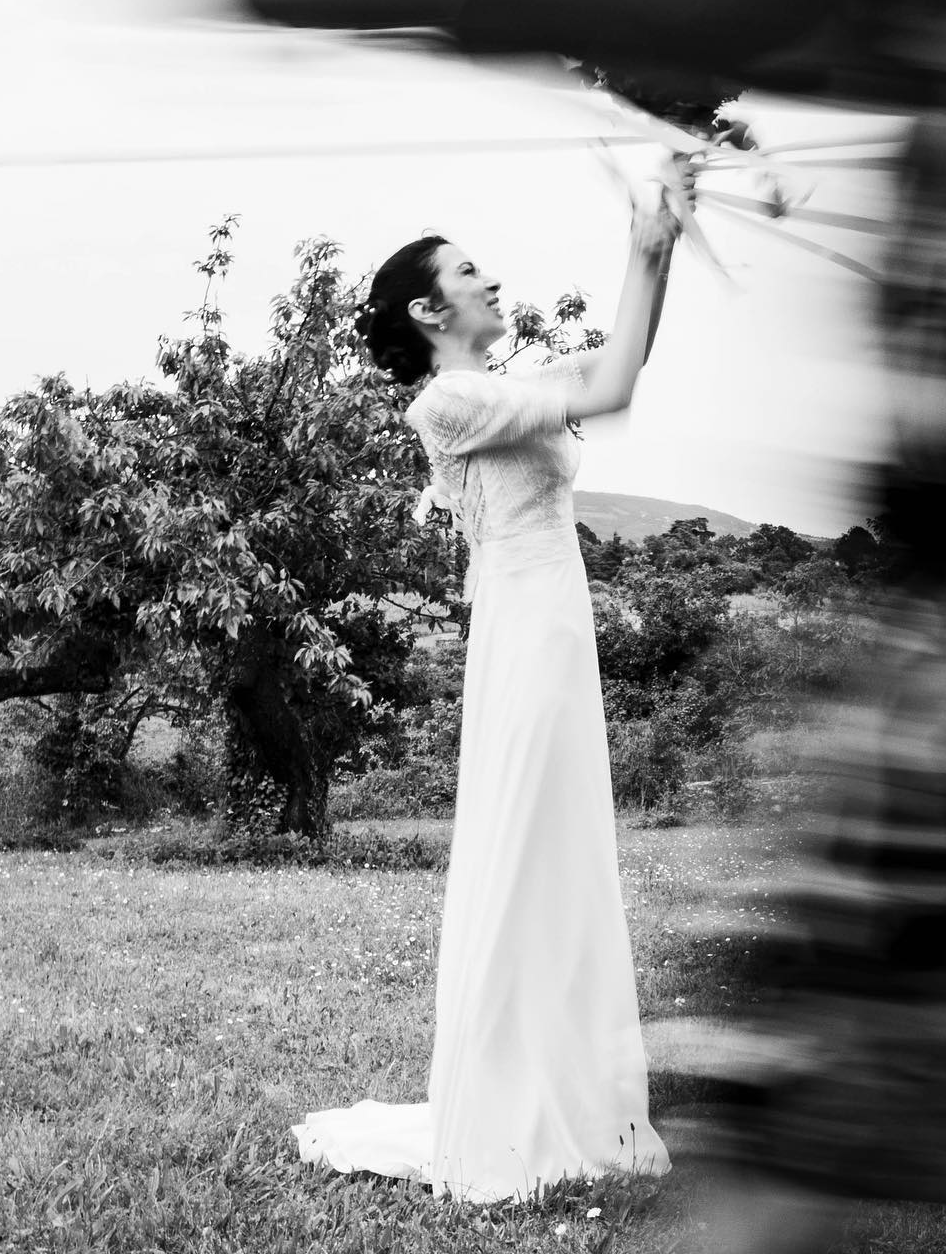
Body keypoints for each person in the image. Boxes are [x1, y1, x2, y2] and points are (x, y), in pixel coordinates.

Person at [290, 162, 692, 1203]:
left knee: (561, 845)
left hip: (555, 624)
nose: (492, 281)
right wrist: (643, 247)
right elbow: (608, 388)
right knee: (529, 846)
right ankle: (514, 1094)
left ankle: (561, 1076)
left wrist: (655, 251)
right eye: (470, 272)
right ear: (429, 311)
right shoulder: (451, 400)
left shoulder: (504, 385)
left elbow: (623, 360)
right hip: (527, 631)